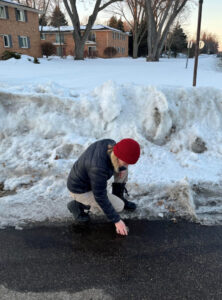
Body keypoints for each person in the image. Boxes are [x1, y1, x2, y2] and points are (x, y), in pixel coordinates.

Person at [67, 138, 140, 236]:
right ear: (118, 155)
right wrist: (117, 221)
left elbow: (120, 163)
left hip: (91, 177)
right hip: (80, 190)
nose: (127, 165)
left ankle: (119, 196)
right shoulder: (98, 168)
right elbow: (100, 196)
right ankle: (77, 205)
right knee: (119, 206)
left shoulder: (111, 144)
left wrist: (122, 167)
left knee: (124, 169)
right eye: (126, 162)